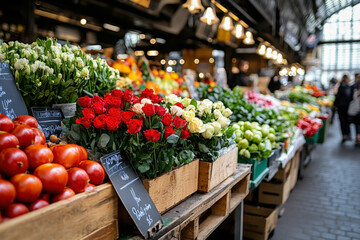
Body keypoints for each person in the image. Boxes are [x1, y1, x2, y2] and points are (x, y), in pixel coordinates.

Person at [334, 75, 353, 142]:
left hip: (340, 107)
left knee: (342, 121)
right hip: (347, 107)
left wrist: (335, 105)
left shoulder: (341, 86)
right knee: (347, 121)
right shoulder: (349, 86)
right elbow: (350, 97)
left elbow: (337, 96)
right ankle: (348, 134)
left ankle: (343, 135)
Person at [348, 73, 360, 144]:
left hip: (357, 108)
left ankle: (357, 136)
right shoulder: (354, 86)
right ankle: (357, 136)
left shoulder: (354, 86)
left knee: (357, 124)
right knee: (357, 124)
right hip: (356, 109)